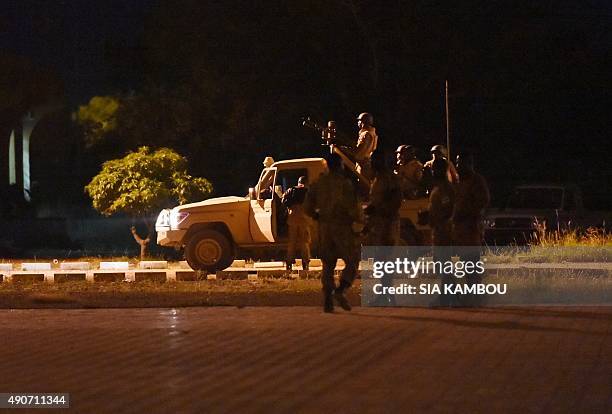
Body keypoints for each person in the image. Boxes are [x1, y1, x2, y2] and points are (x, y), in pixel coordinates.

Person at [304, 153, 362, 313]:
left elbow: (307, 205)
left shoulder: (318, 183)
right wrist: (359, 222)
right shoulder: (345, 184)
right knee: (353, 260)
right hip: (342, 227)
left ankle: (328, 299)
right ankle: (341, 289)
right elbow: (354, 208)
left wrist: (317, 216)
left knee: (328, 264)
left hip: (325, 227)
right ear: (339, 165)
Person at [453, 152, 490, 305]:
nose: (457, 166)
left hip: (471, 227)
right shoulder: (458, 181)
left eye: (461, 163)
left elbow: (482, 202)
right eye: (456, 162)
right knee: (466, 263)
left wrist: (467, 213)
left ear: (469, 164)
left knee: (472, 264)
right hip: (460, 229)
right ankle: (471, 295)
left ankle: (476, 296)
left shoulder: (476, 181)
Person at [428, 158, 456, 306]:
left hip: (443, 231)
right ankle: (453, 295)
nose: (432, 171)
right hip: (438, 230)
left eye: (435, 168)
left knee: (444, 264)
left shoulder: (445, 188)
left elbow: (448, 210)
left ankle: (445, 298)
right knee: (441, 264)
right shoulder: (439, 187)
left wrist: (439, 221)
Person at [365, 150, 402, 246]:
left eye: (374, 160)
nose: (371, 162)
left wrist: (379, 208)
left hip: (387, 223)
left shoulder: (390, 178)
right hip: (378, 223)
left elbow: (395, 200)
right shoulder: (378, 178)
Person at [282, 176, 311, 272]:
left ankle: (289, 264)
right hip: (304, 219)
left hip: (292, 218)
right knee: (304, 242)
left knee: (292, 242)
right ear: (306, 182)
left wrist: (290, 207)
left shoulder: (291, 190)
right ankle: (305, 264)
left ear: (298, 182)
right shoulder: (308, 191)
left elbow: (283, 201)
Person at [353, 112, 378, 180]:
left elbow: (358, 151)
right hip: (368, 164)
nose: (358, 122)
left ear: (363, 122)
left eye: (359, 120)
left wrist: (343, 149)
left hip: (363, 165)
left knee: (362, 186)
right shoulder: (373, 133)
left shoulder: (365, 134)